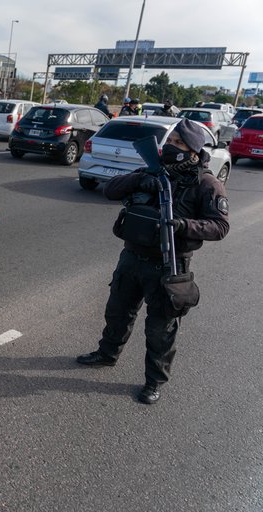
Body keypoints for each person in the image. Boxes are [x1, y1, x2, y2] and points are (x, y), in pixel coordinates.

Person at [76, 118, 229, 405]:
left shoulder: (207, 184)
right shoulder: (153, 170)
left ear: (193, 152)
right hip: (132, 257)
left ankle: (153, 382)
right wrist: (138, 179)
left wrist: (182, 225)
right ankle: (107, 354)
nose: (171, 147)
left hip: (169, 265)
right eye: (170, 142)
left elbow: (219, 227)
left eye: (178, 144)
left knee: (160, 329)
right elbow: (111, 191)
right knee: (117, 313)